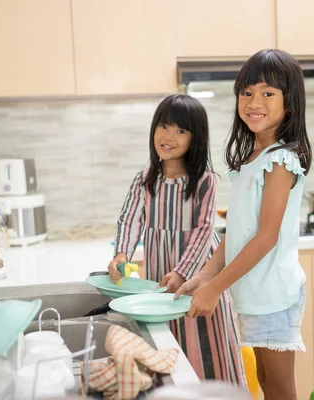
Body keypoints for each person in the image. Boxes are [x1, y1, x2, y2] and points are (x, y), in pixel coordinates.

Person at [174, 49, 312, 400]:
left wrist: (215, 288)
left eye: (268, 93)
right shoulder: (253, 158)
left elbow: (265, 239)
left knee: (279, 387)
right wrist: (203, 277)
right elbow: (238, 233)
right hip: (256, 293)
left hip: (273, 294)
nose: (254, 101)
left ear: (289, 102)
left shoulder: (281, 160)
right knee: (266, 380)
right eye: (247, 92)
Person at [108, 94, 246, 386]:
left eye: (181, 131)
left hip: (197, 275)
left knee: (206, 342)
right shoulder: (144, 180)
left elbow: (204, 229)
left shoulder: (205, 181)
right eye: (164, 126)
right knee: (168, 342)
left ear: (195, 140)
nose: (169, 136)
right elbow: (130, 219)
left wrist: (183, 271)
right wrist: (122, 255)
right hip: (160, 275)